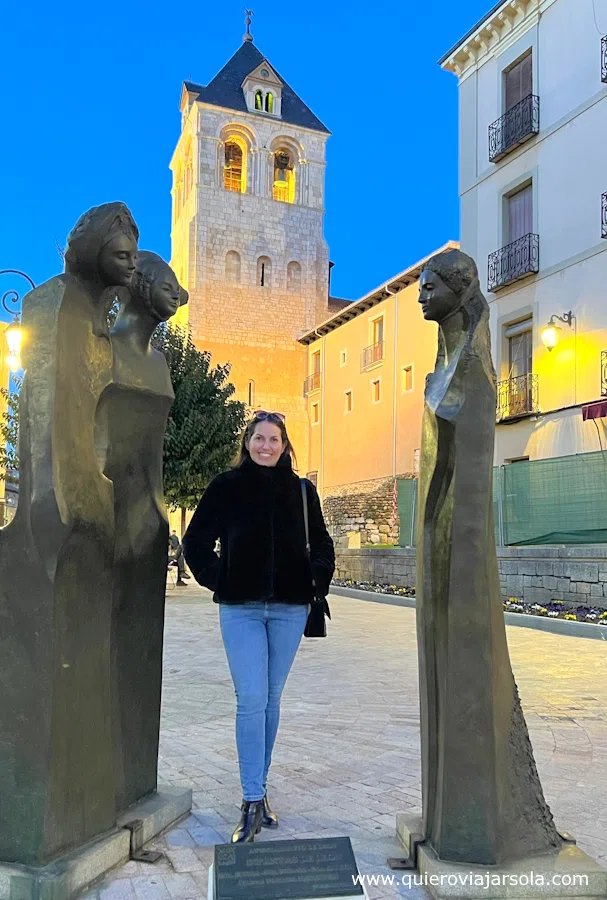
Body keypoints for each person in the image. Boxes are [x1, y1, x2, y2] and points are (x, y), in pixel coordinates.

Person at [183, 412, 335, 843]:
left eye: (274, 439)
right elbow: (196, 543)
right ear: (247, 442)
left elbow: (322, 543)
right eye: (258, 438)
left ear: (285, 445)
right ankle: (251, 799)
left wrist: (314, 579)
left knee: (269, 700)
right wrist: (222, 576)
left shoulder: (303, 492)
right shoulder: (226, 488)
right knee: (250, 698)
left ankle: (260, 790)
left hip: (289, 609)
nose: (266, 446)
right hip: (241, 610)